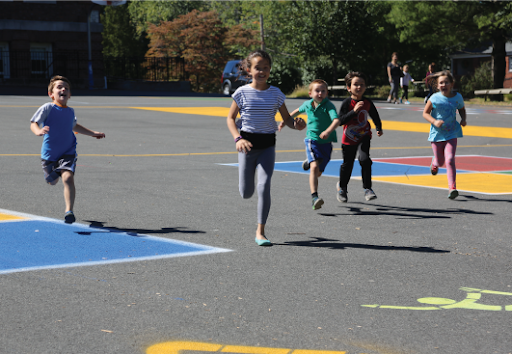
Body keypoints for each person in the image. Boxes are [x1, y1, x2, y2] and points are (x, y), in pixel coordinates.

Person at [226, 50, 306, 246]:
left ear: (270, 70)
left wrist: (296, 125)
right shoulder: (241, 93)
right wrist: (238, 138)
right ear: (248, 70)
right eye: (257, 68)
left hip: (267, 146)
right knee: (246, 192)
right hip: (246, 146)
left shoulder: (276, 94)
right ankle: (247, 188)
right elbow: (230, 119)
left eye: (265, 68)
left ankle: (260, 231)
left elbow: (286, 119)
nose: (261, 71)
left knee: (264, 186)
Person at [30, 75, 106, 223]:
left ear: (70, 94)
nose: (63, 89)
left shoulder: (70, 112)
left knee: (68, 178)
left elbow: (74, 126)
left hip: (68, 152)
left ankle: (69, 211)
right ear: (51, 94)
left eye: (66, 88)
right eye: (59, 87)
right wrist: (38, 131)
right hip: (49, 154)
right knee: (52, 182)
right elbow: (34, 122)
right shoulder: (48, 108)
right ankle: (54, 174)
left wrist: (93, 133)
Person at [279, 79, 340, 210]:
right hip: (312, 140)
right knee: (314, 168)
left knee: (318, 172)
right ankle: (314, 197)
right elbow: (296, 111)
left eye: (323, 91)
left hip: (326, 143)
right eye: (317, 91)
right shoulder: (307, 104)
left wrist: (328, 131)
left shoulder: (328, 105)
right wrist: (285, 121)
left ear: (327, 93)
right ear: (310, 93)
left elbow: (336, 120)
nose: (320, 93)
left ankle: (309, 162)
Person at [336, 72, 383, 203]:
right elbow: (340, 121)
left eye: (362, 84)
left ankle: (368, 189)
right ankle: (342, 188)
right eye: (355, 84)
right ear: (348, 87)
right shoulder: (347, 103)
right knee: (348, 164)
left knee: (365, 159)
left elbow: (375, 115)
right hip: (349, 138)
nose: (359, 87)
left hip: (364, 136)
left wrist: (378, 127)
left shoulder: (367, 102)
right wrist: (354, 111)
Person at [423, 70, 466, 199]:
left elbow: (462, 109)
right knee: (441, 161)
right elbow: (425, 113)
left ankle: (452, 188)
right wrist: (434, 121)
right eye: (441, 82)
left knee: (450, 160)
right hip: (437, 135)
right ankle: (435, 162)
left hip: (452, 133)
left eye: (446, 82)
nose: (444, 84)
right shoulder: (434, 98)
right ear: (437, 85)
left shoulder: (457, 97)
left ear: (451, 84)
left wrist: (463, 119)